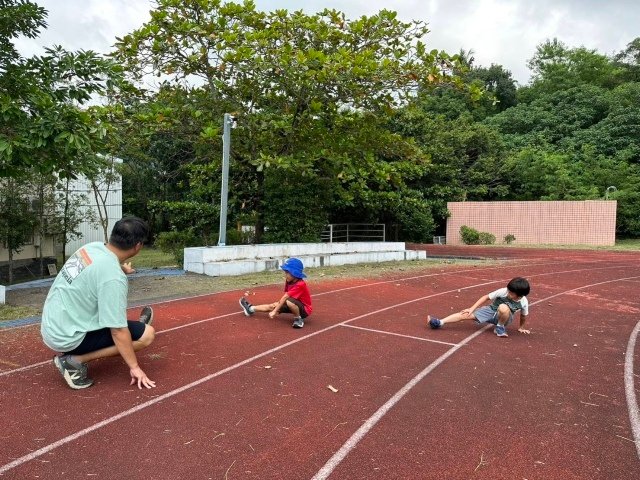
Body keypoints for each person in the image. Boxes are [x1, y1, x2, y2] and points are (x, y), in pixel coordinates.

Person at [40, 216, 156, 390]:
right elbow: (117, 330)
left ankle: (132, 330)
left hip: (51, 325)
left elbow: (96, 266)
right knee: (146, 335)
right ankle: (73, 361)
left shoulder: (91, 247)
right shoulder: (113, 278)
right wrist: (135, 367)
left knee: (110, 315)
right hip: (68, 337)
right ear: (138, 246)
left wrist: (120, 267)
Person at [427, 277, 531, 337]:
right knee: (465, 314)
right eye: (508, 291)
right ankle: (439, 322)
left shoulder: (523, 302)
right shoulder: (503, 291)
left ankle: (499, 328)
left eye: (511, 293)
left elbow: (523, 316)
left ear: (520, 295)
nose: (508, 293)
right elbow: (485, 297)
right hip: (491, 310)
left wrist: (521, 327)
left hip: (505, 317)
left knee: (504, 307)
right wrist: (471, 309)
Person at [239, 257, 313, 329]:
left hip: (304, 310)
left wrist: (274, 311)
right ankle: (250, 309)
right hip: (292, 303)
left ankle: (298, 319)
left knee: (288, 302)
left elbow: (286, 297)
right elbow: (287, 297)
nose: (285, 274)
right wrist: (276, 307)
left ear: (294, 273)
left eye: (287, 272)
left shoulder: (300, 284)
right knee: (273, 306)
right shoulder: (289, 281)